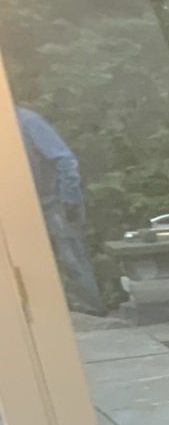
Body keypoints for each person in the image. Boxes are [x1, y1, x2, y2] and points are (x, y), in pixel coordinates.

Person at [16, 106, 105, 315]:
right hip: (25, 208)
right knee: (34, 264)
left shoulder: (28, 122)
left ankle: (92, 311)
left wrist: (70, 198)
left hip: (55, 203)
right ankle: (54, 313)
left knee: (71, 258)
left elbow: (64, 159)